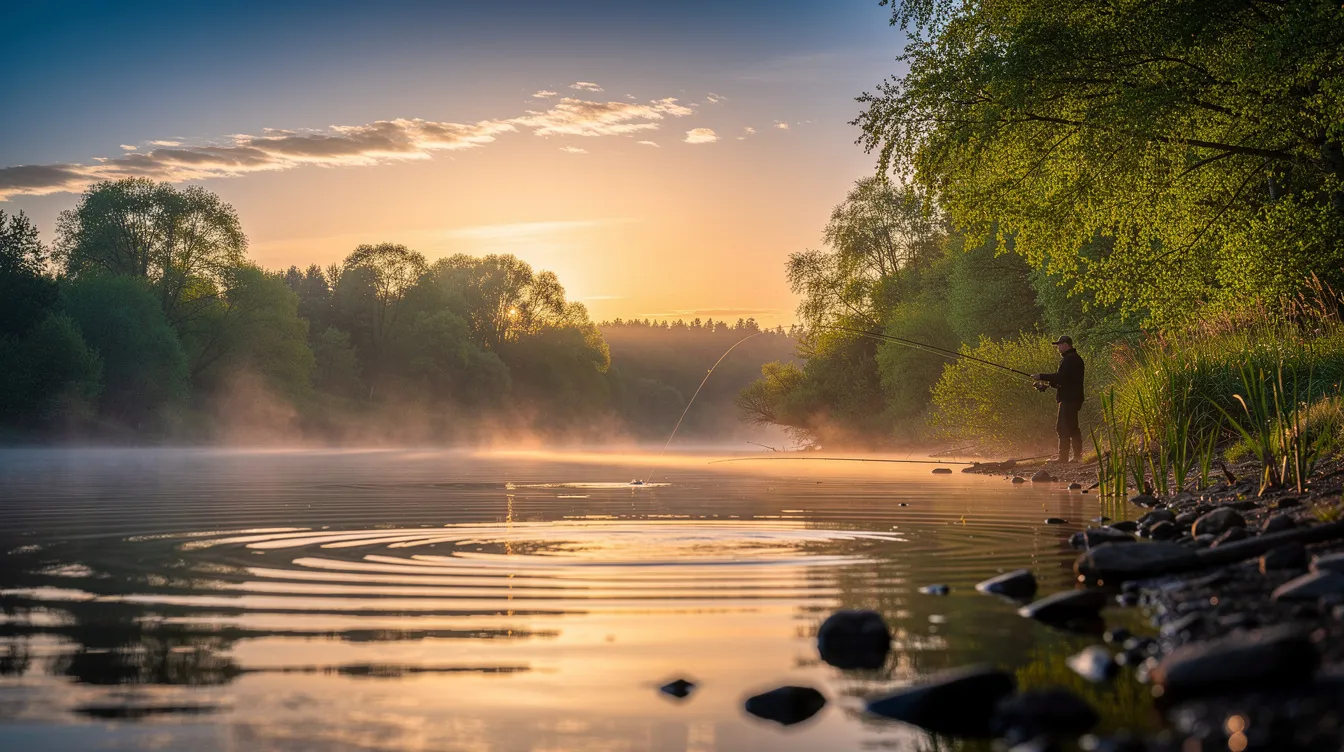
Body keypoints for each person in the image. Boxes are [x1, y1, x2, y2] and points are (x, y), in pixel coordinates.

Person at [1032, 335, 1085, 463]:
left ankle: (1063, 458)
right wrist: (1047, 385)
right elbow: (1065, 380)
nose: (1058, 348)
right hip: (1074, 398)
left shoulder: (1069, 359)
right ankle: (1077, 456)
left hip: (1068, 399)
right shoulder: (1075, 359)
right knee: (1072, 427)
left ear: (1066, 345)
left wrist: (1041, 376)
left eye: (1059, 345)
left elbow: (1060, 377)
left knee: (1062, 427)